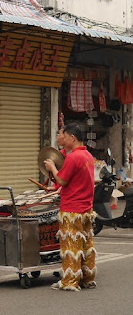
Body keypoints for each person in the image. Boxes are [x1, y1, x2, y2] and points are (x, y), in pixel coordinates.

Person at [44, 123, 96, 291]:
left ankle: (70, 281)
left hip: (72, 208)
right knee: (86, 244)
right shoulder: (87, 155)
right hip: (86, 208)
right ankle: (88, 277)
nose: (63, 139)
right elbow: (75, 180)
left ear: (72, 138)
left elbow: (63, 180)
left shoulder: (73, 157)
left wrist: (52, 167)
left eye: (64, 136)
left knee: (71, 246)